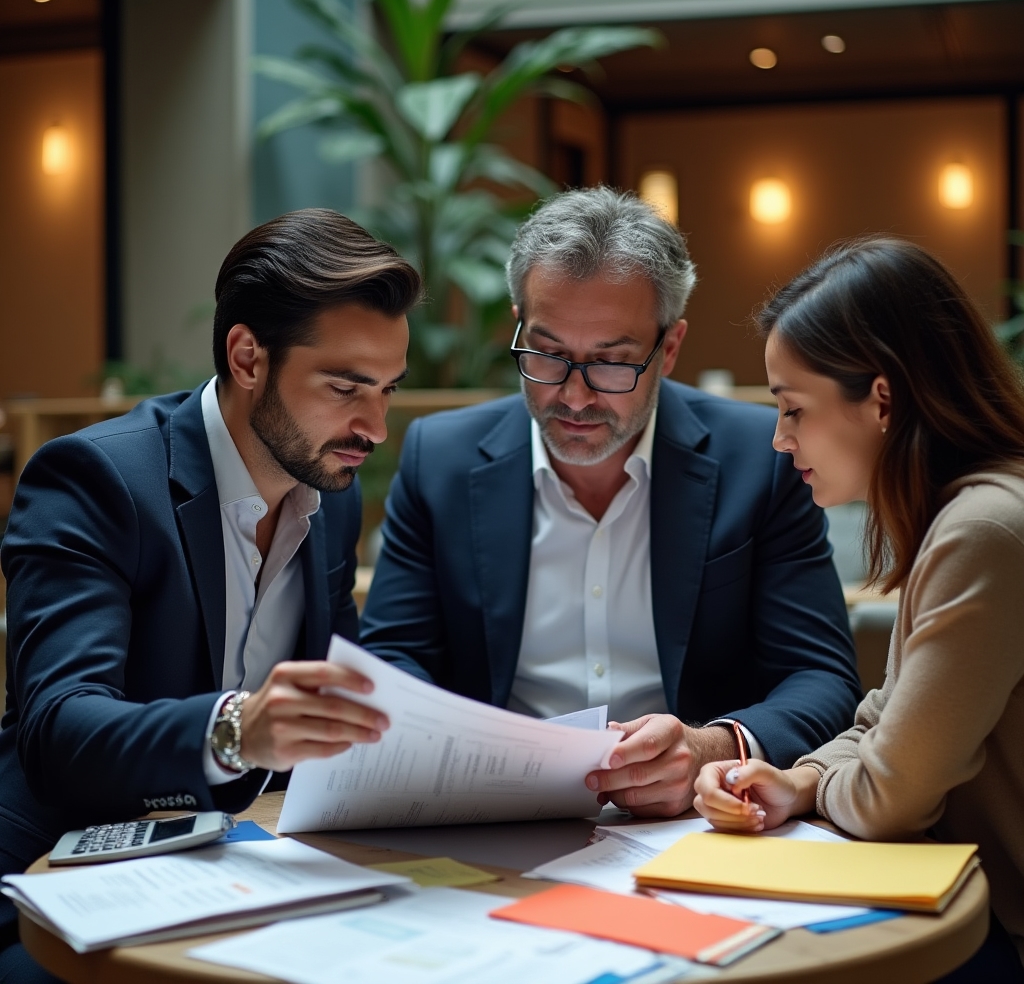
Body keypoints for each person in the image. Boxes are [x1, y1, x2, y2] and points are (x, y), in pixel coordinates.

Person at [0, 208, 419, 982]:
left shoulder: (330, 495)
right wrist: (237, 729)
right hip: (63, 880)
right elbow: (59, 727)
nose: (375, 427)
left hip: (240, 870)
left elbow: (343, 696)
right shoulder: (98, 480)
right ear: (248, 356)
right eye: (346, 387)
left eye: (388, 390)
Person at [361, 187, 861, 819]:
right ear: (519, 323)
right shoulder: (441, 457)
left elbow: (822, 677)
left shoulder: (757, 460)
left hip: (696, 825)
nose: (573, 397)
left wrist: (712, 747)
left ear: (669, 348)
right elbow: (392, 661)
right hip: (492, 827)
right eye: (547, 354)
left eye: (612, 364)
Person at [693, 237, 1024, 981]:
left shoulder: (985, 531)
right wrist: (801, 780)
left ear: (882, 398)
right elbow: (885, 719)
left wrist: (827, 783)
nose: (780, 440)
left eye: (792, 409)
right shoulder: (969, 513)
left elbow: (889, 798)